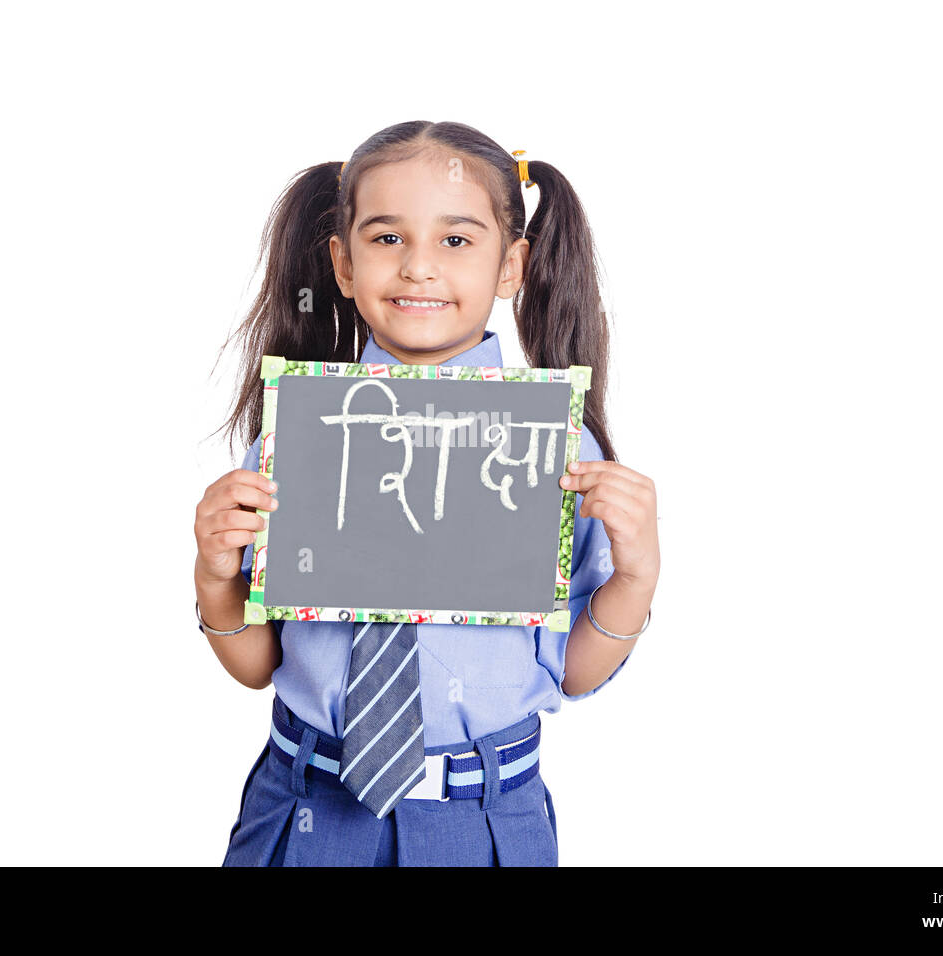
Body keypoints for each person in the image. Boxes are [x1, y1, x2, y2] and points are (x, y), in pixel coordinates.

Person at [193, 120, 660, 866]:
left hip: (482, 821)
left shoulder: (559, 451)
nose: (417, 268)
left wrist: (636, 576)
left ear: (511, 266)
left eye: (455, 240)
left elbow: (573, 673)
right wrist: (215, 577)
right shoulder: (298, 432)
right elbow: (257, 667)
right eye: (386, 239)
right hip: (306, 808)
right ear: (341, 263)